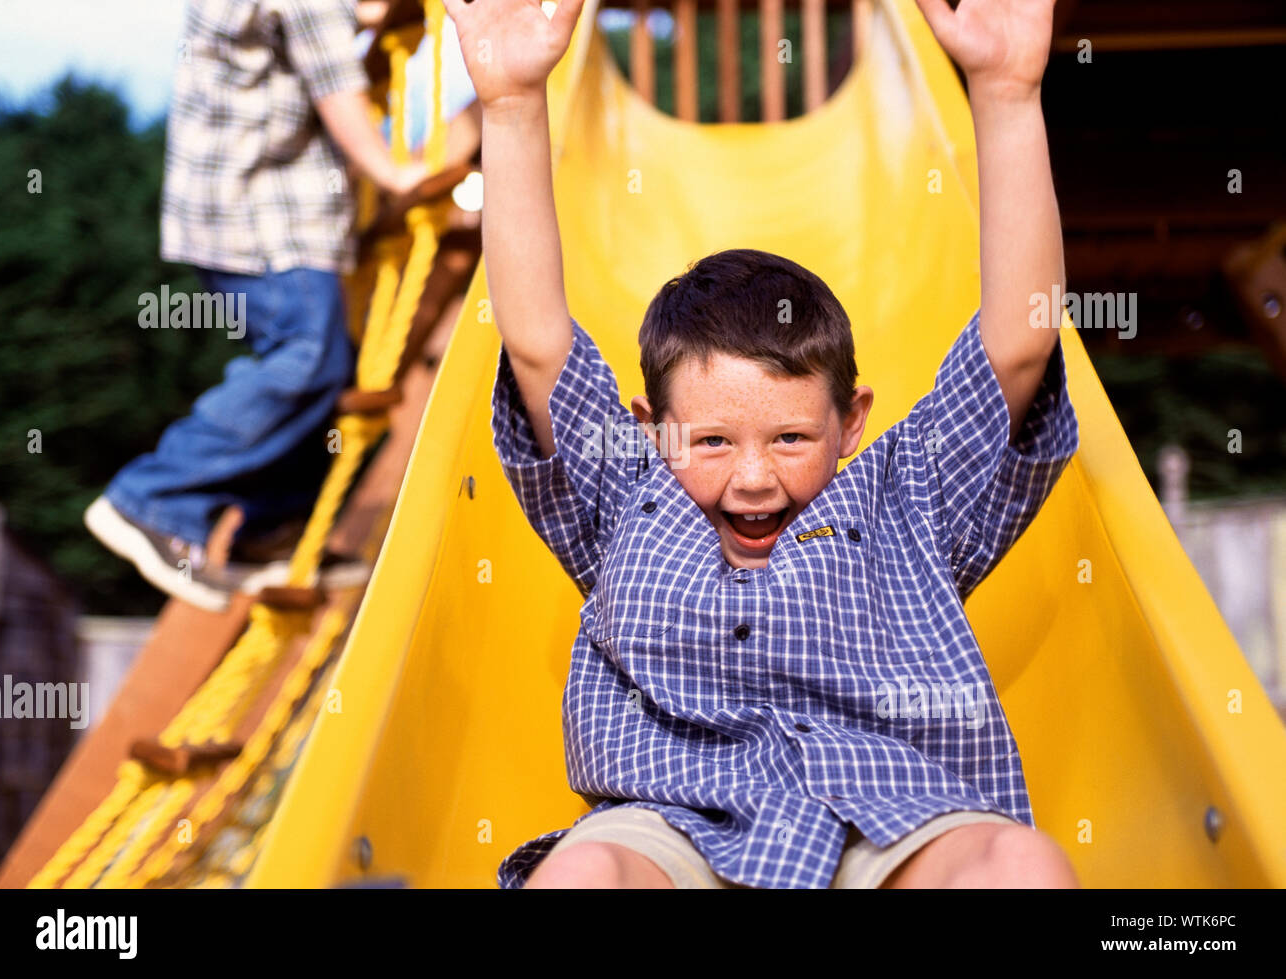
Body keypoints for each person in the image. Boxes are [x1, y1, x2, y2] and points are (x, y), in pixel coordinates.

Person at [451, 0, 1082, 888]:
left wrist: (1009, 94)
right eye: (710, 440)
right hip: (675, 822)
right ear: (651, 429)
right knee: (581, 874)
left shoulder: (910, 497)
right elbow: (537, 343)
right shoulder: (627, 500)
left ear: (851, 420)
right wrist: (513, 105)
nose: (753, 478)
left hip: (885, 814)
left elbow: (1020, 338)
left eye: (791, 436)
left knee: (1019, 863)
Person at [85, 0, 429, 611]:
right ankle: (151, 498)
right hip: (266, 219)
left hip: (231, 215)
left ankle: (268, 530)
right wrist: (391, 171)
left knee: (329, 369)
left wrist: (369, 13)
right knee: (308, 358)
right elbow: (336, 85)